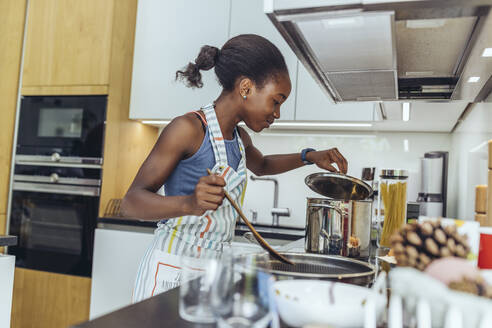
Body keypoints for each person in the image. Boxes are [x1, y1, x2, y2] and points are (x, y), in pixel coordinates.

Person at [122, 34, 348, 302]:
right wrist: (189, 203)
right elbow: (131, 202)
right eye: (275, 101)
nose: (277, 114)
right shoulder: (188, 129)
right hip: (171, 268)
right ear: (246, 87)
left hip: (210, 272)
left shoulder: (240, 140)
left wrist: (309, 156)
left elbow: (262, 165)